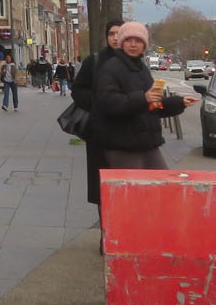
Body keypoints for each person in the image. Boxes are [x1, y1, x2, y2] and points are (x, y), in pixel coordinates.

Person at [91, 22, 188, 172]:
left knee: (162, 182)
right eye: (128, 40)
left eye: (138, 41)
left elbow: (152, 106)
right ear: (122, 43)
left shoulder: (142, 68)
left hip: (147, 143)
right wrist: (143, 98)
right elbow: (108, 103)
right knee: (136, 185)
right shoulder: (111, 67)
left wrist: (179, 103)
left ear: (144, 45)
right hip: (123, 145)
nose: (133, 45)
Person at [72, 20, 125, 222]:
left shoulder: (135, 61)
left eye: (119, 33)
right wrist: (98, 104)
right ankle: (106, 230)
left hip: (128, 134)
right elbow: (78, 90)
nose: (115, 38)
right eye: (111, 34)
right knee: (103, 186)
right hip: (100, 134)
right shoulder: (94, 61)